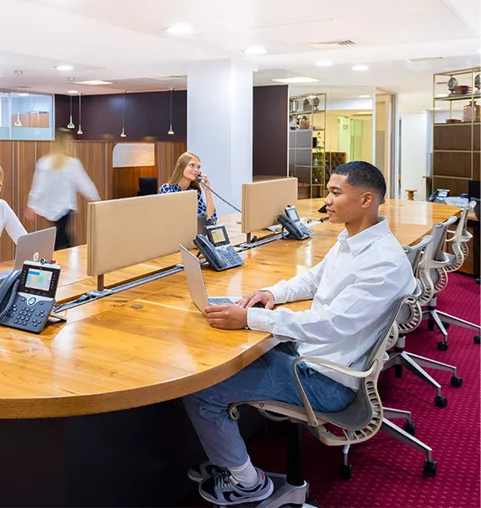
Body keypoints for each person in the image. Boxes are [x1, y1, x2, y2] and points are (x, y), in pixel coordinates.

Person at [184, 161, 414, 506]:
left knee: (201, 388)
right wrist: (272, 295)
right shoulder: (354, 241)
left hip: (325, 380)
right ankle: (225, 455)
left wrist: (250, 318)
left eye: (336, 192)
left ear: (366, 200)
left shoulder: (382, 263)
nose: (327, 199)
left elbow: (329, 324)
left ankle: (247, 481)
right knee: (227, 350)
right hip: (312, 355)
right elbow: (313, 279)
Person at [24, 130, 101, 250]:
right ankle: (68, 258)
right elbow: (84, 183)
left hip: (50, 208)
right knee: (61, 238)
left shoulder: (44, 162)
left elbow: (39, 186)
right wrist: (96, 198)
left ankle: (64, 258)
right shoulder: (72, 163)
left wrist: (32, 205)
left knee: (59, 237)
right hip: (65, 208)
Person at [158, 152, 217, 222]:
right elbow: (172, 219)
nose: (196, 170)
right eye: (192, 165)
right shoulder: (167, 189)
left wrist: (207, 191)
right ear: (181, 167)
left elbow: (211, 218)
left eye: (198, 167)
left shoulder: (194, 191)